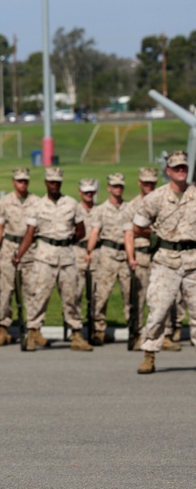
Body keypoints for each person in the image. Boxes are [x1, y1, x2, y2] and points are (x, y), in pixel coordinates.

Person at [13, 167, 92, 352]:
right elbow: (29, 234)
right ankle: (33, 332)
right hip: (44, 256)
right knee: (39, 296)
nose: (54, 185)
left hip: (67, 255)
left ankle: (76, 334)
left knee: (72, 296)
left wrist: (68, 240)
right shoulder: (38, 206)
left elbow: (81, 230)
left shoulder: (71, 203)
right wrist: (19, 255)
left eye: (57, 182)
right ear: (46, 183)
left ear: (61, 183)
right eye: (51, 182)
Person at [133, 151, 196, 374]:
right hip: (166, 261)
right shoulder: (156, 198)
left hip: (193, 260)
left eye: (184, 167)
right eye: (176, 167)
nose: (181, 170)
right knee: (158, 310)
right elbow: (138, 226)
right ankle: (149, 354)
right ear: (168, 171)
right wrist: (156, 235)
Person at [123, 167, 180, 351]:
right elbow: (129, 234)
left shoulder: (164, 201)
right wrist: (131, 257)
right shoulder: (132, 206)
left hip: (162, 255)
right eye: (145, 182)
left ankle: (166, 335)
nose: (149, 186)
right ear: (139, 182)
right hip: (141, 255)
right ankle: (139, 334)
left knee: (165, 296)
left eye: (152, 182)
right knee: (139, 298)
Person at [0, 168, 40, 345]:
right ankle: (3, 326)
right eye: (19, 181)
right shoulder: (4, 202)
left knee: (32, 290)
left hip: (30, 250)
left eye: (25, 181)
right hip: (9, 247)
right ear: (13, 182)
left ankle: (34, 328)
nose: (23, 184)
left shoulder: (36, 202)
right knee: (6, 289)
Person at [84, 173, 133, 346]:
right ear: (109, 188)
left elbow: (130, 234)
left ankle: (133, 329)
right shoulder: (101, 210)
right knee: (101, 294)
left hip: (125, 255)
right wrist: (89, 250)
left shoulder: (129, 208)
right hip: (107, 254)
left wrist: (132, 257)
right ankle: (99, 330)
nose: (118, 189)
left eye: (120, 186)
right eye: (115, 186)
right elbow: (95, 232)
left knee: (130, 295)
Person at [74, 178, 98, 331]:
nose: (88, 194)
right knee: (76, 292)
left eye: (91, 192)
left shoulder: (99, 210)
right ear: (80, 192)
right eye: (85, 192)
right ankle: (75, 327)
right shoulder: (74, 209)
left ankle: (96, 327)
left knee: (97, 293)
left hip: (96, 253)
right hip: (77, 252)